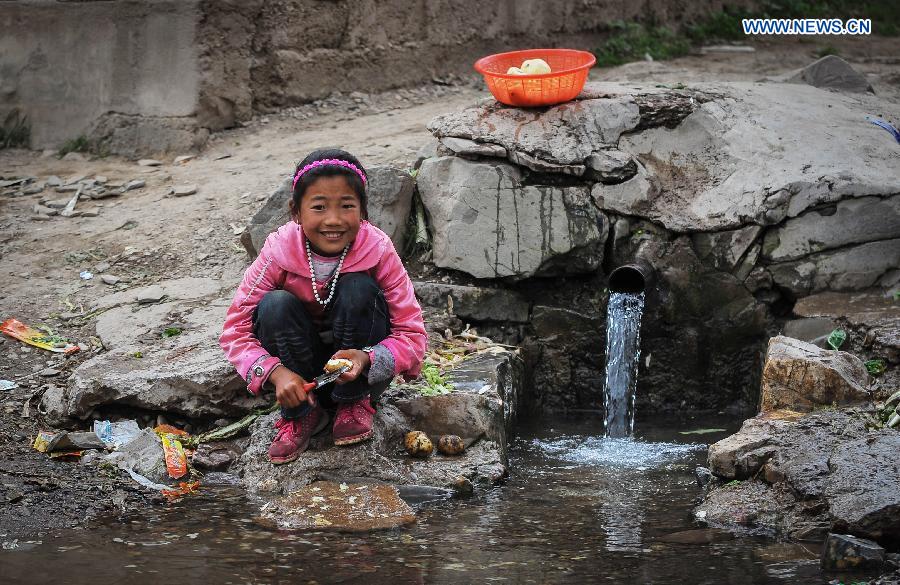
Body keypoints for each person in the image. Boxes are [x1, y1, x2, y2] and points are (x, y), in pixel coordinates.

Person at [219, 148, 427, 464]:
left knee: (358, 288)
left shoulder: (378, 250)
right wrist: (276, 374)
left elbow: (412, 335)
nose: (333, 220)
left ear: (363, 211)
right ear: (296, 212)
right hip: (299, 376)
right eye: (318, 207)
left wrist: (367, 358)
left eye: (347, 206)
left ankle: (354, 402)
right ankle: (302, 412)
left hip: (359, 373)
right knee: (274, 306)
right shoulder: (278, 252)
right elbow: (235, 331)